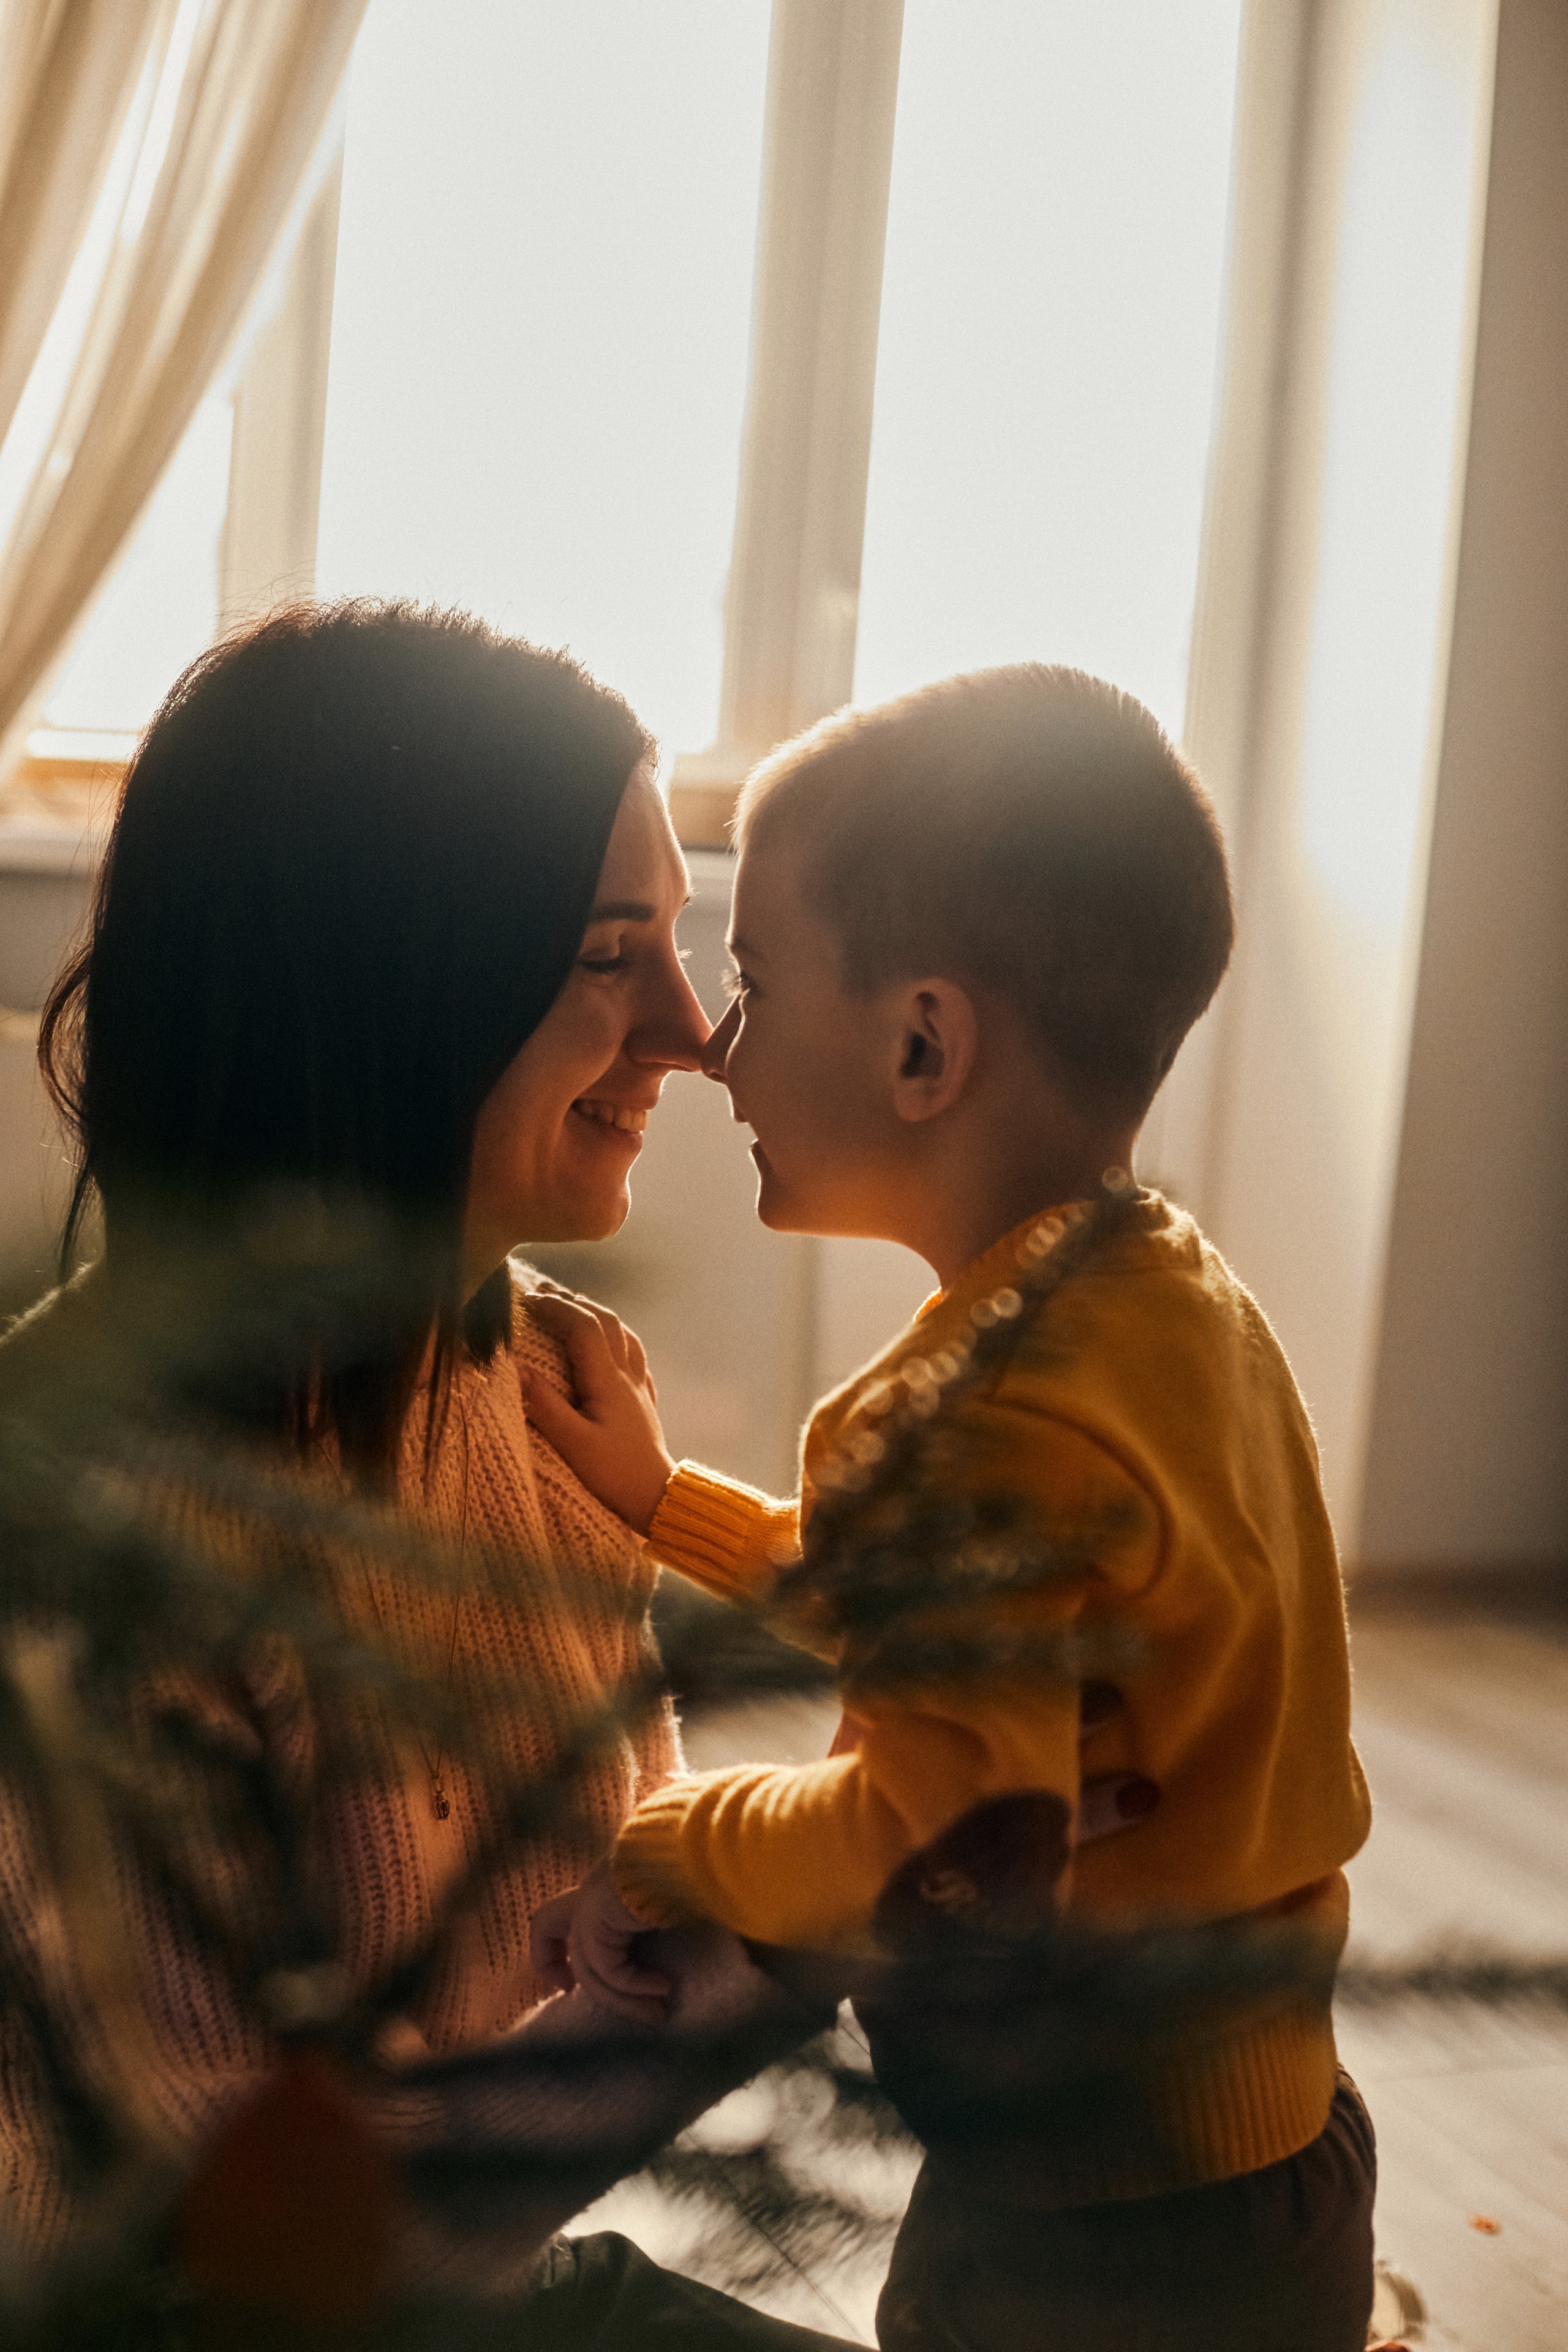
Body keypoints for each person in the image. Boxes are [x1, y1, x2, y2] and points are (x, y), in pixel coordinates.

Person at [0, 600, 858, 2345]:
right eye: (612, 952)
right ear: (398, 981)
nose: (694, 1034)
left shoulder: (543, 1378)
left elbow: (602, 1903)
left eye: (680, 946)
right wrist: (790, 1938)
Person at [521, 665, 1379, 2350]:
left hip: (1088, 2230)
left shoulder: (961, 1424)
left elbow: (915, 1847)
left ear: (923, 1042)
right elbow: (1017, 1630)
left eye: (756, 986)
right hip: (1283, 2163)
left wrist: (654, 1844)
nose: (713, 1050)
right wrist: (671, 1506)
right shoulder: (1168, 1300)